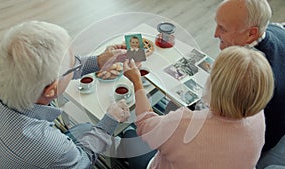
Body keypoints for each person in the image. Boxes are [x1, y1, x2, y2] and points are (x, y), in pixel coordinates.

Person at [0, 20, 130, 168]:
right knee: (87, 129)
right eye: (72, 64)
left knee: (85, 129)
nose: (75, 65)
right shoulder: (51, 146)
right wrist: (110, 121)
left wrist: (98, 61)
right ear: (51, 90)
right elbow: (82, 162)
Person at [121, 46, 274, 169]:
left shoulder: (184, 124)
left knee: (129, 134)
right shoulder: (258, 115)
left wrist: (137, 82)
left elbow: (145, 125)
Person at [214, 0, 285, 167]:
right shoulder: (276, 30)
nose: (215, 34)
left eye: (223, 28)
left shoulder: (248, 75)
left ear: (251, 33)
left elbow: (222, 117)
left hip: (260, 140)